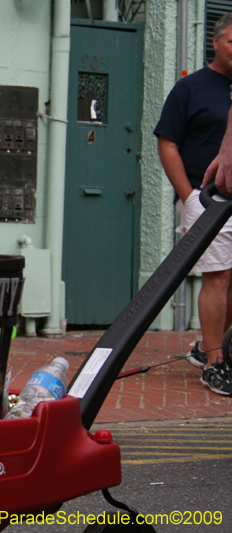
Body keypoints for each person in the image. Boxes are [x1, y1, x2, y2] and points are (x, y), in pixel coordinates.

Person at [155, 13, 232, 396]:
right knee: (217, 277)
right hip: (207, 199)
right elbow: (167, 142)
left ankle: (206, 348)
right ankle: (216, 363)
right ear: (215, 43)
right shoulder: (191, 88)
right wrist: (188, 197)